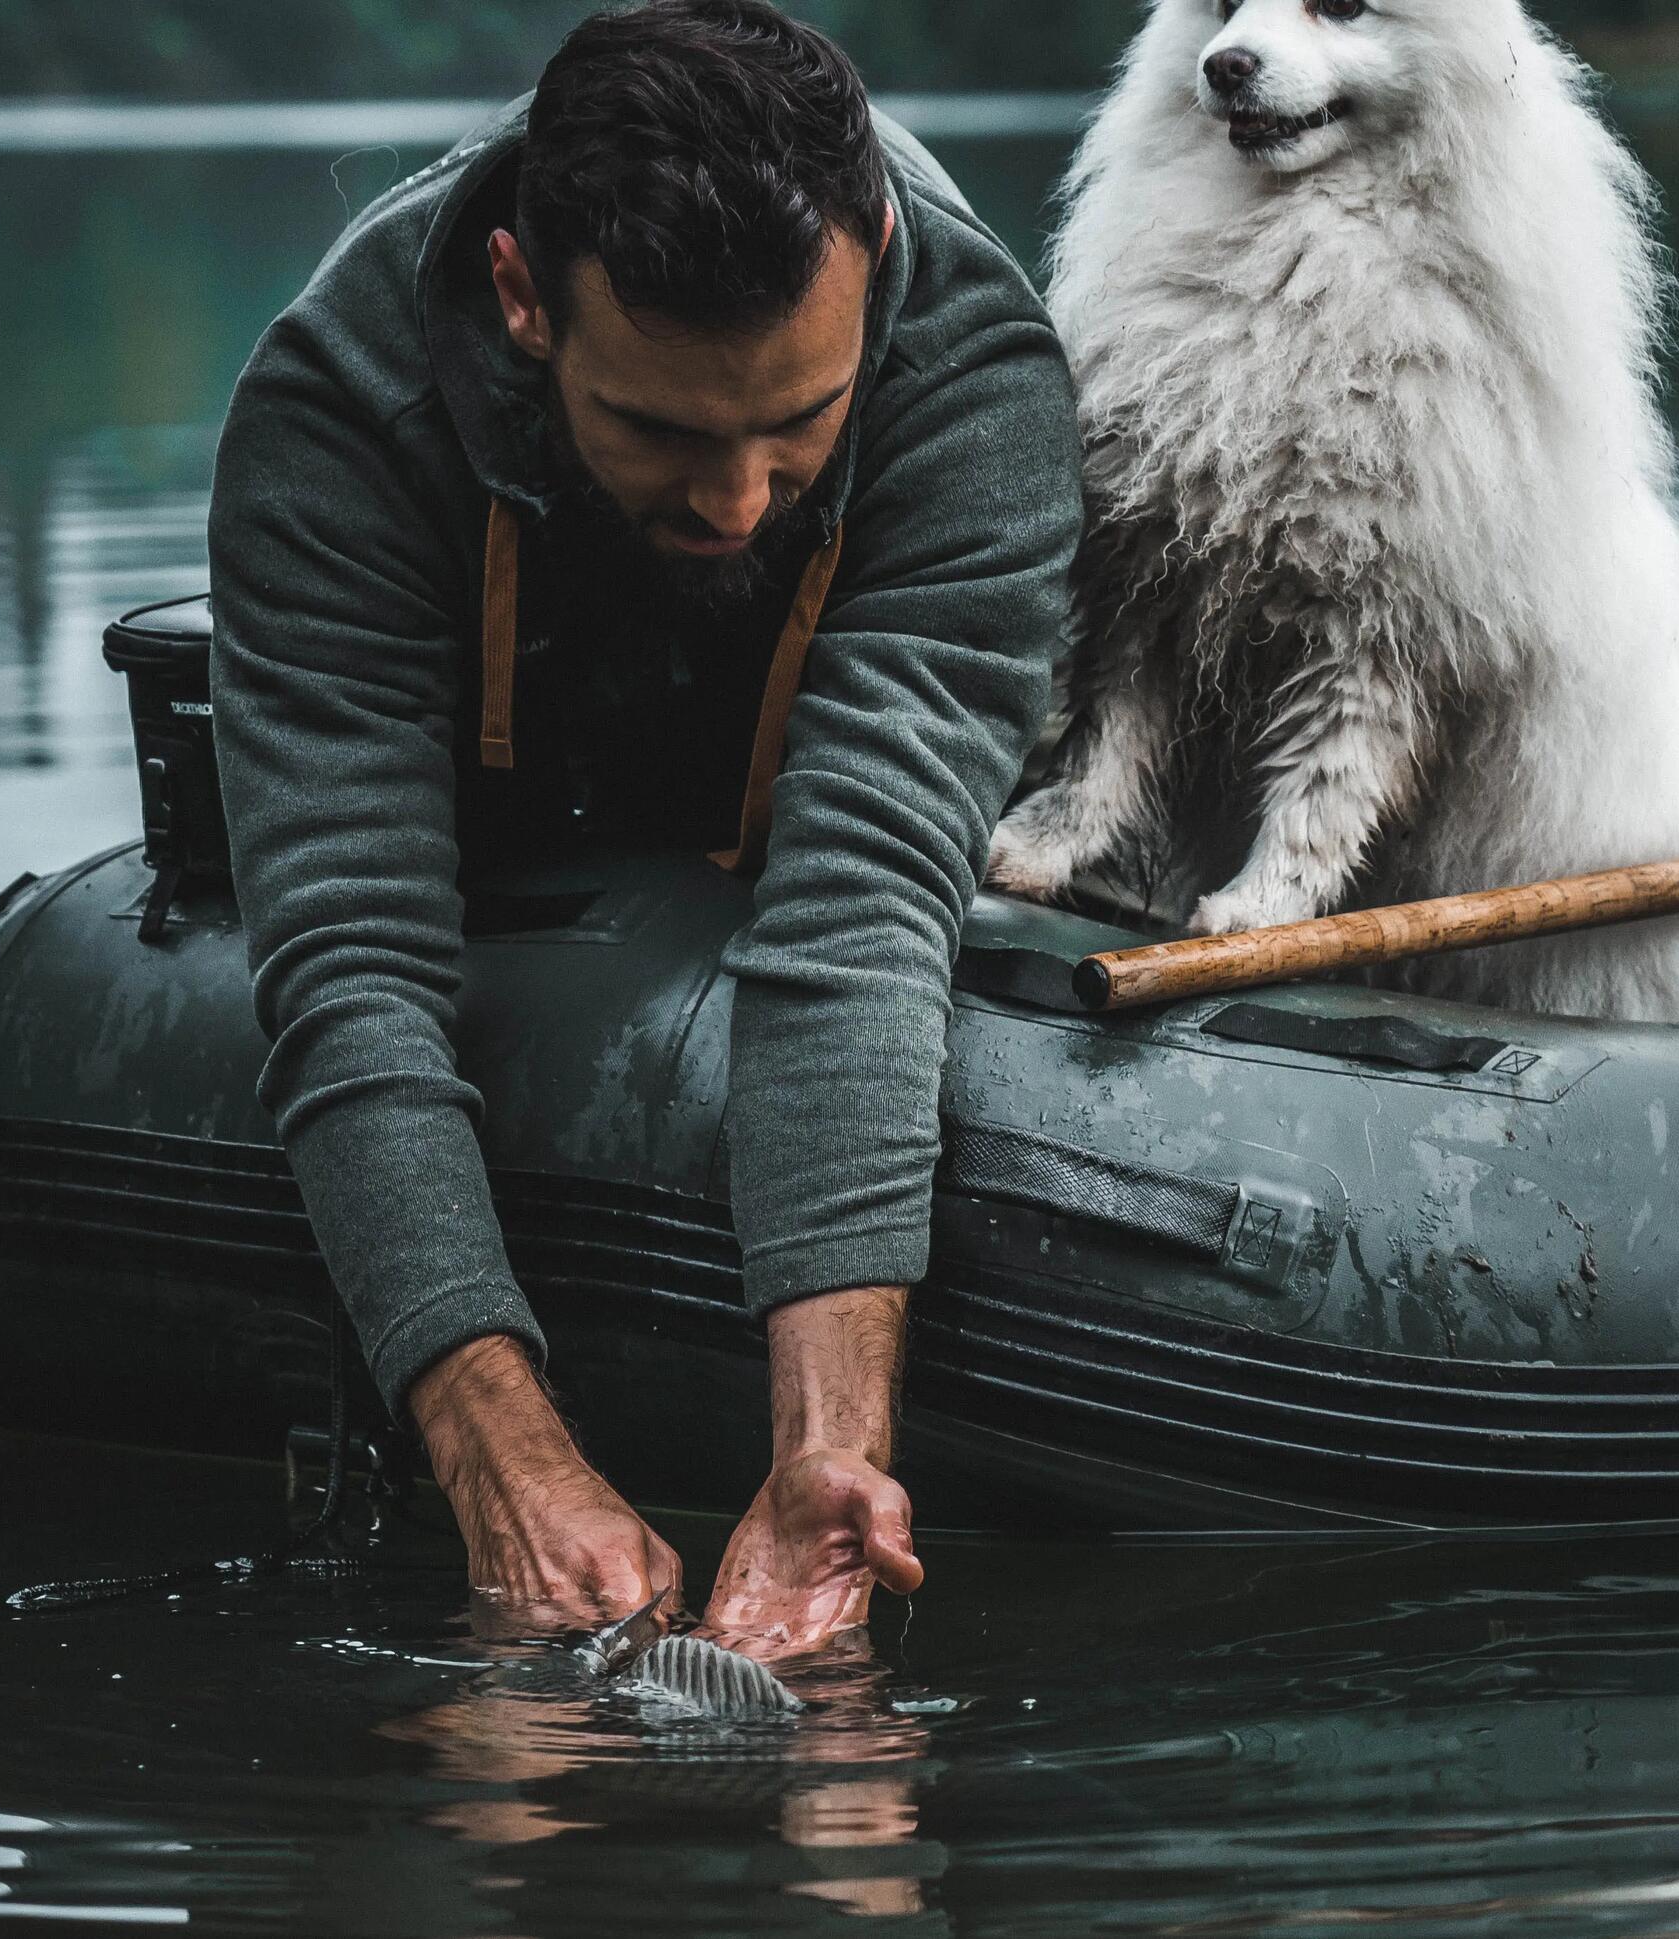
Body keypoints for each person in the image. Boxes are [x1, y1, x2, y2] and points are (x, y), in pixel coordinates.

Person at [207, 0, 1082, 1653]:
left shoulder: (973, 375)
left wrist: (830, 1457)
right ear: (524, 297)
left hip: (800, 830)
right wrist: (497, 1459)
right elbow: (349, 965)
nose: (742, 501)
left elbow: (867, 902)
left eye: (797, 425)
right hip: (502, 812)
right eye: (668, 430)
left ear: (876, 253)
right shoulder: (340, 404)